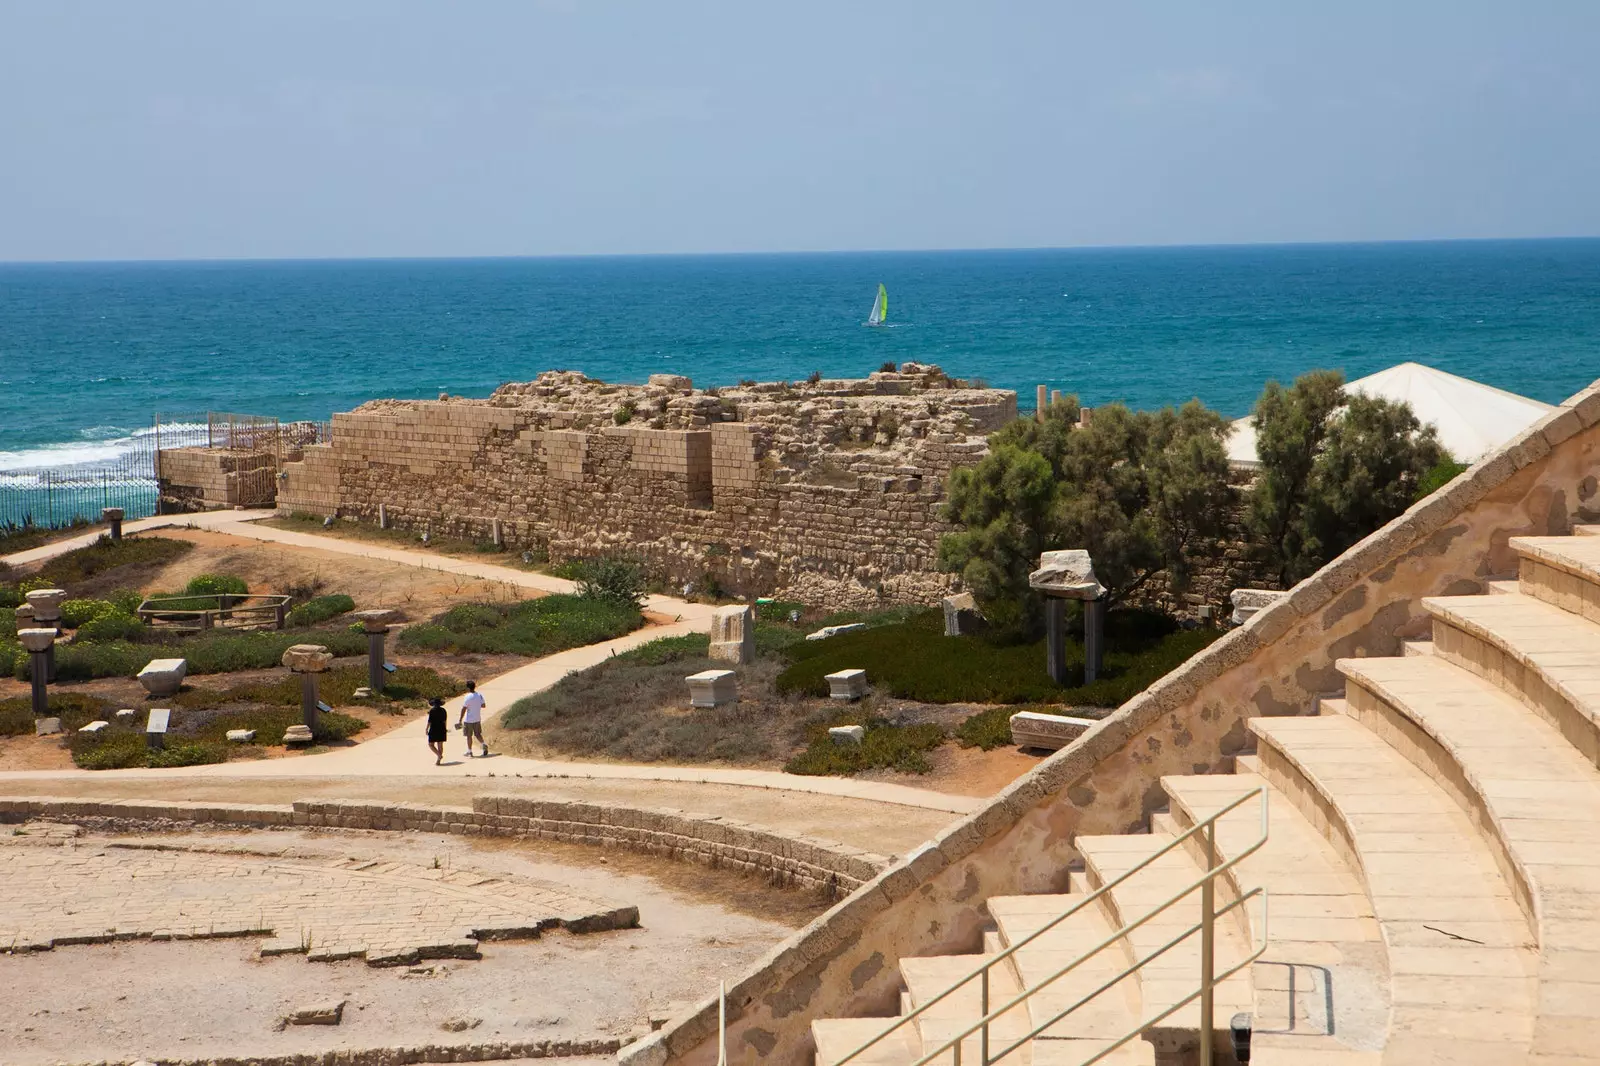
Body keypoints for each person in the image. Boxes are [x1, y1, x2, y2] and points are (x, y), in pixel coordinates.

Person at [457, 680, 489, 758]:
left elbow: (464, 709)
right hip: (477, 718)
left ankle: (470, 751)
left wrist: (460, 719)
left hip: (468, 720)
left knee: (469, 736)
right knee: (478, 734)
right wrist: (476, 705)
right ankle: (483, 744)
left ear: (468, 688)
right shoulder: (479, 695)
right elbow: (483, 705)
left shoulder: (467, 697)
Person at [426, 697, 448, 765]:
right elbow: (445, 721)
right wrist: (445, 729)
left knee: (431, 744)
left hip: (433, 728)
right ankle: (438, 759)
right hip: (441, 728)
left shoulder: (432, 711)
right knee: (440, 744)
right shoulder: (444, 710)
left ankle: (439, 755)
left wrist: (426, 729)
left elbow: (429, 721)